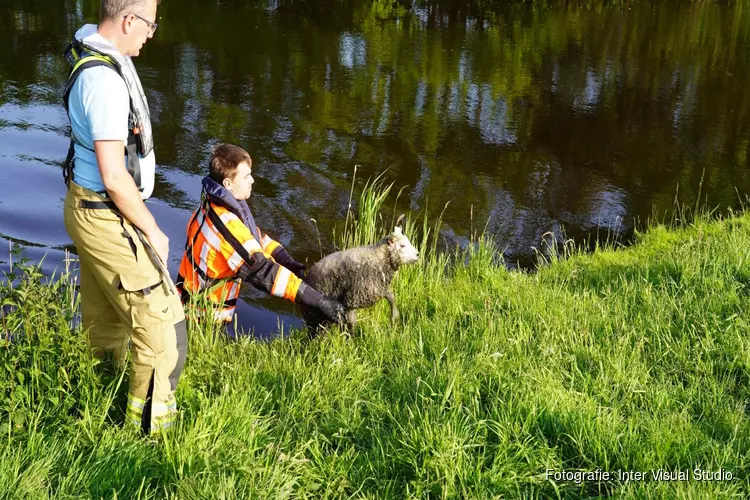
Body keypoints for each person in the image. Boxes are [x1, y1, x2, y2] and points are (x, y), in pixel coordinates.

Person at [62, 0, 187, 435]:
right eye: (150, 25)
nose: (152, 34)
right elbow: (115, 177)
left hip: (87, 206)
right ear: (128, 20)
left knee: (107, 321)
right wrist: (153, 229)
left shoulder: (94, 51)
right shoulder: (104, 80)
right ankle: (150, 437)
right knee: (161, 325)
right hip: (103, 210)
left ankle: (98, 399)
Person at [176, 144, 345, 336]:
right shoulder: (226, 227)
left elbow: (255, 239)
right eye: (246, 176)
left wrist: (288, 263)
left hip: (190, 300)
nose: (252, 180)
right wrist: (319, 301)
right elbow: (263, 272)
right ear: (228, 184)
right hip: (203, 316)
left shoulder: (211, 204)